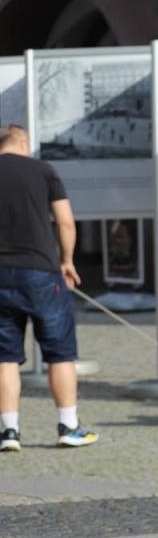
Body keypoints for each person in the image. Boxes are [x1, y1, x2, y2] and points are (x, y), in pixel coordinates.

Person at [0, 125, 96, 451]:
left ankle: (9, 432)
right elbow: (65, 221)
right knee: (60, 353)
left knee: (5, 357)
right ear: (22, 141)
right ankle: (68, 426)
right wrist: (67, 260)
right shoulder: (43, 170)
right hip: (41, 270)